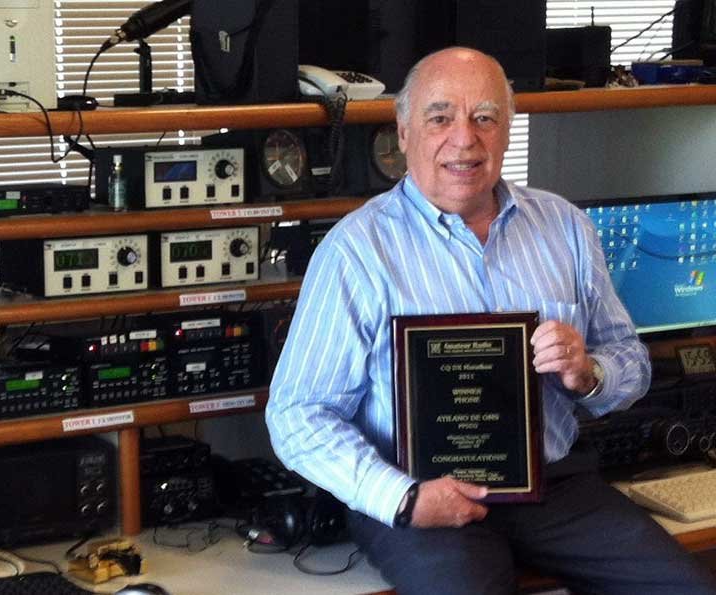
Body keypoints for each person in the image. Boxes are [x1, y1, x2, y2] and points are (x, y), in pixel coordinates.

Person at [265, 47, 716, 594]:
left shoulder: (566, 227)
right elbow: (297, 414)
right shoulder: (355, 251)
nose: (464, 138)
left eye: (484, 117)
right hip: (418, 495)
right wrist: (400, 497)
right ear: (403, 133)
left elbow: (631, 360)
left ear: (507, 130)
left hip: (554, 486)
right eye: (440, 118)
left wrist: (590, 373)